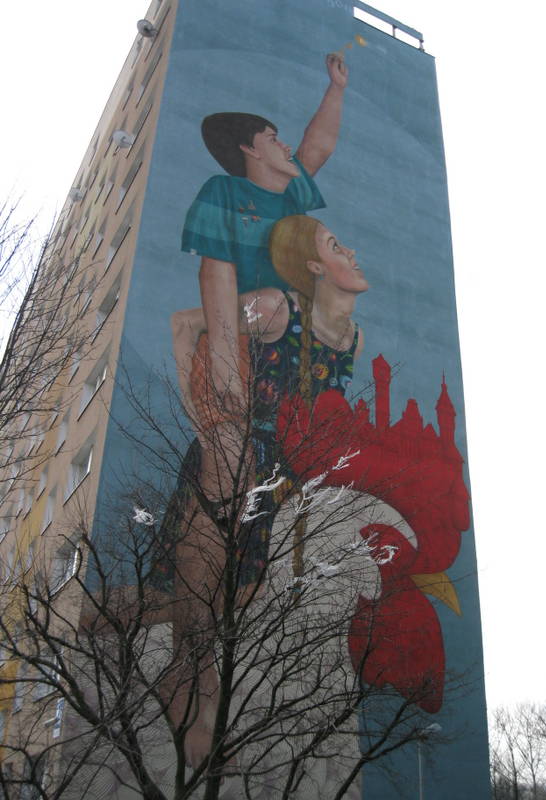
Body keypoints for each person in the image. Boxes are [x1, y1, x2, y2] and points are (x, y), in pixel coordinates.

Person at [169, 215, 368, 767]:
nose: (352, 251)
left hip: (288, 475)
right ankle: (191, 675)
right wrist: (199, 421)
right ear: (313, 266)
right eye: (336, 245)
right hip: (234, 458)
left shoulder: (353, 339)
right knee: (210, 587)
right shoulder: (277, 309)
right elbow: (186, 325)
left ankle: (165, 642)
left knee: (244, 596)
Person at [180, 54, 349, 409]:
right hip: (242, 326)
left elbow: (317, 147)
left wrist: (336, 88)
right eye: (273, 139)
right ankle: (193, 328)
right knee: (273, 303)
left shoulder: (290, 195)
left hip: (285, 335)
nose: (285, 146)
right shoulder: (224, 191)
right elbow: (216, 275)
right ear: (249, 149)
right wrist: (226, 370)